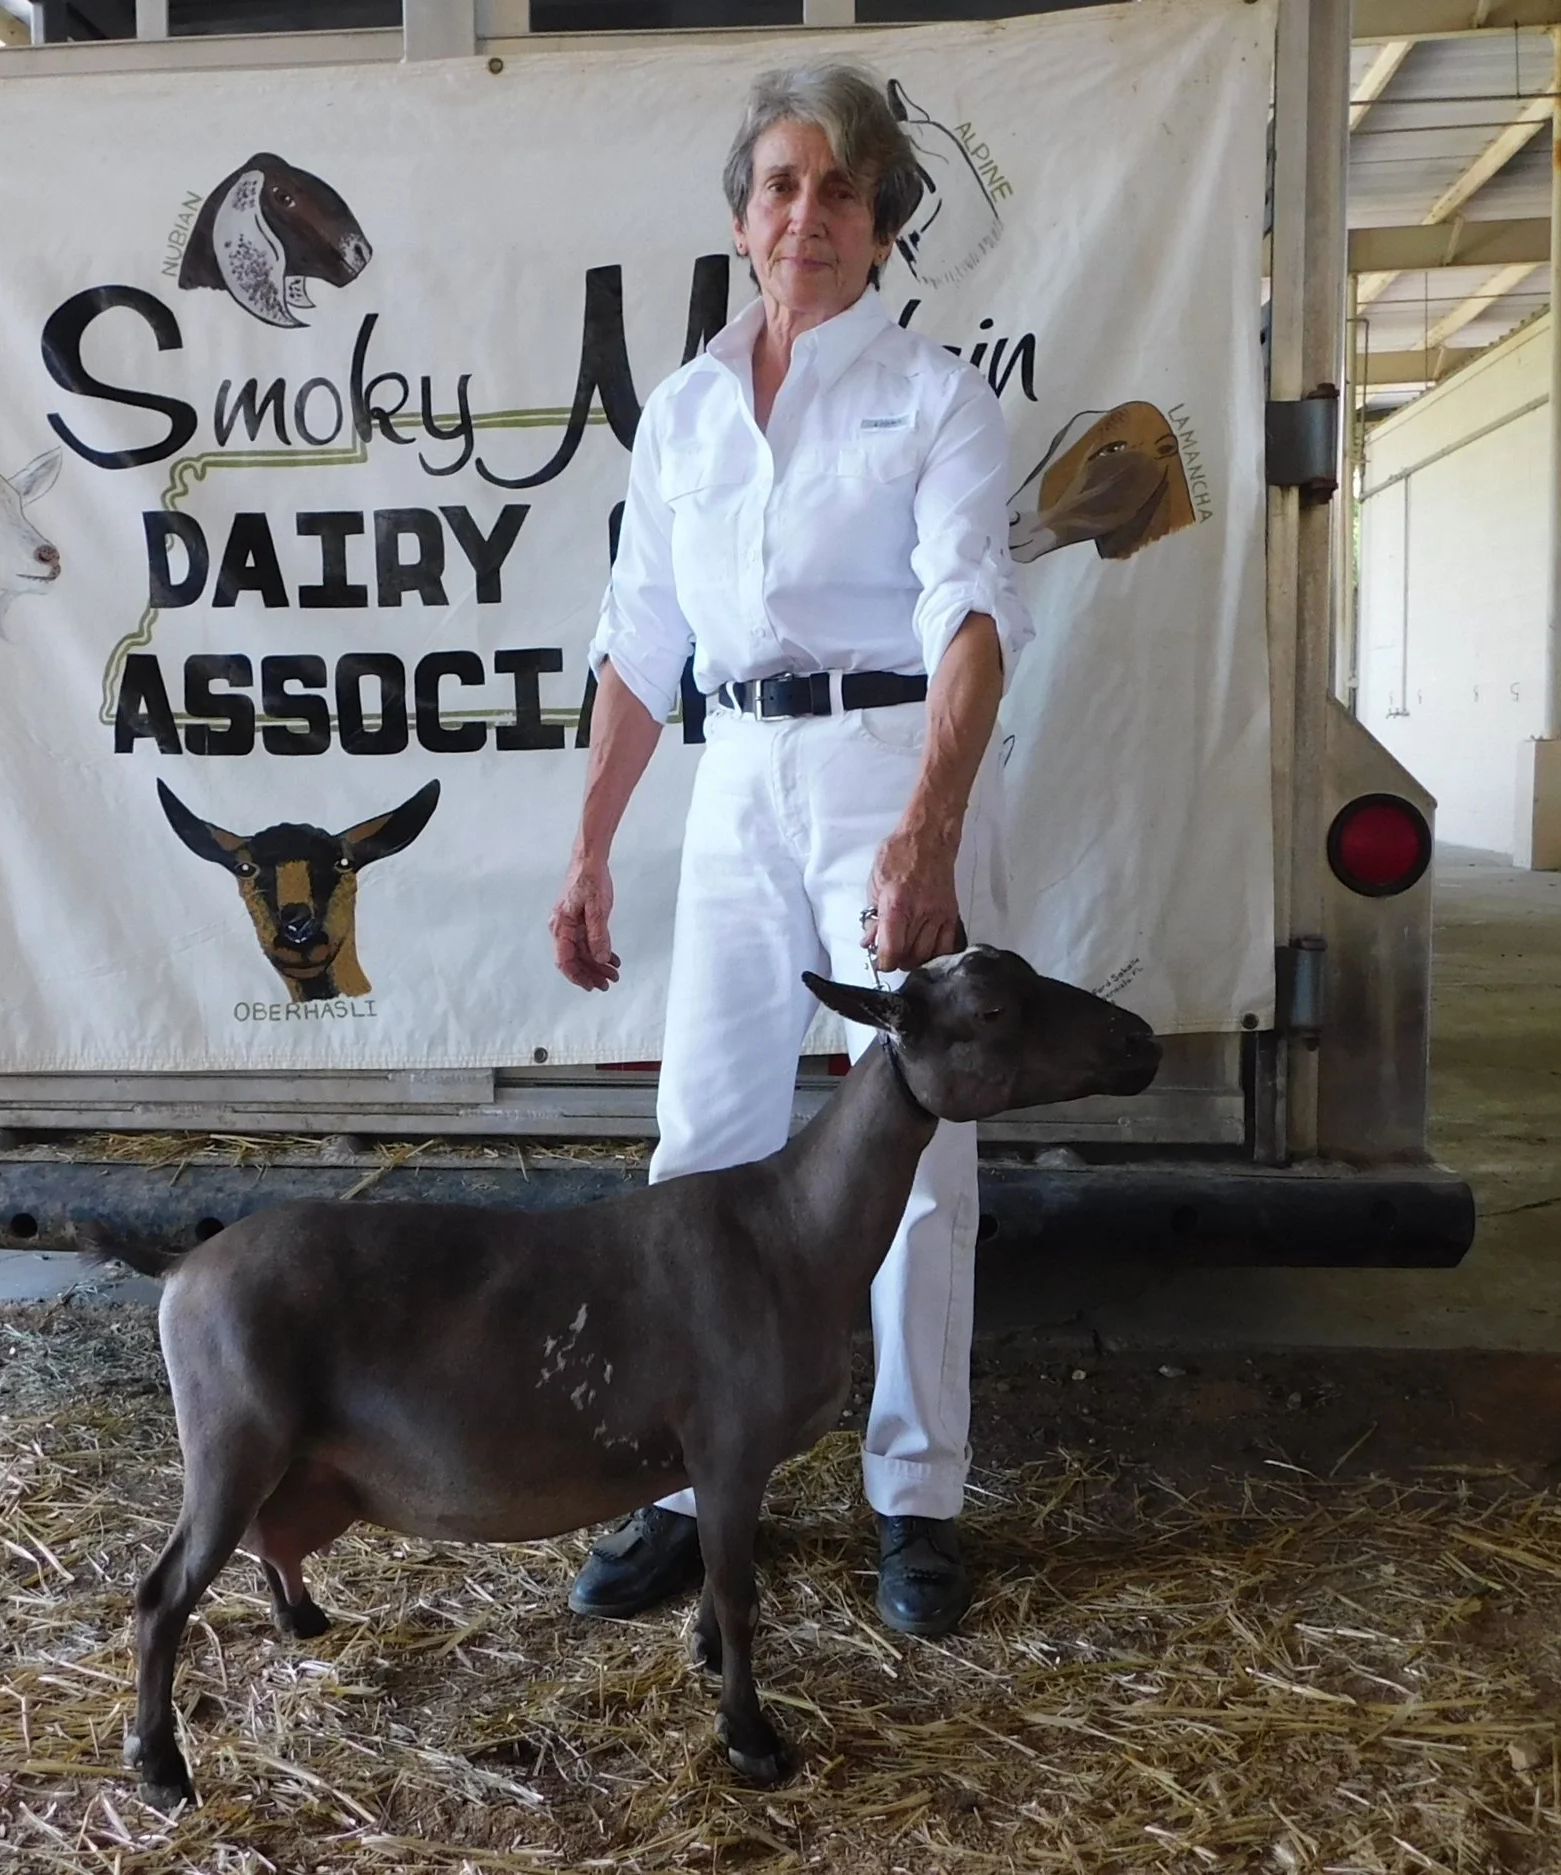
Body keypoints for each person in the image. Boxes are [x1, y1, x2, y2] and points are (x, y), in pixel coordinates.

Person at [549, 62, 1030, 1638]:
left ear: (882, 221)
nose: (806, 214)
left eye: (839, 189)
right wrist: (591, 850)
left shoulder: (936, 399)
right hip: (739, 774)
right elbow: (639, 646)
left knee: (916, 1155)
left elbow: (973, 622)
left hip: (890, 765)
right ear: (743, 218)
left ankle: (916, 1498)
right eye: (779, 186)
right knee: (702, 1142)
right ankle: (687, 1491)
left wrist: (929, 828)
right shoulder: (685, 412)